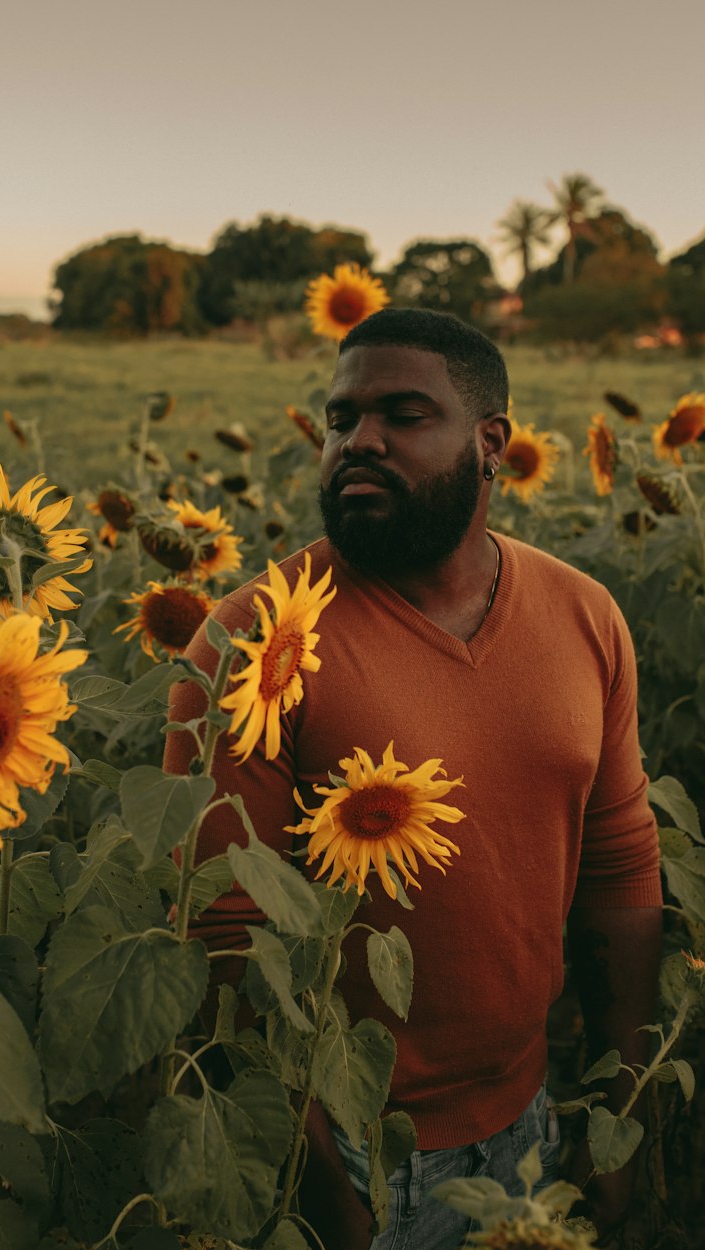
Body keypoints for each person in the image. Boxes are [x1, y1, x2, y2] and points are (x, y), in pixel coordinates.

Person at [164, 308, 663, 1250]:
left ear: (490, 446)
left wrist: (618, 1124)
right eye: (341, 418)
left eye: (402, 414)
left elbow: (620, 872)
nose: (360, 442)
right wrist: (324, 1194)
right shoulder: (257, 640)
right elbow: (224, 940)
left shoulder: (584, 616)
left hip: (531, 1124)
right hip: (349, 1154)